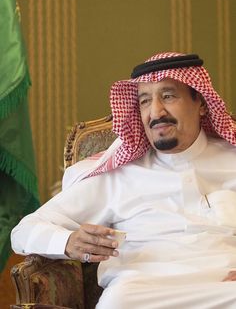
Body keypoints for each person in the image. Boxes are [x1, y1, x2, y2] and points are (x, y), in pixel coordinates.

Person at [11, 52, 236, 308]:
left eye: (168, 96)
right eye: (144, 101)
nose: (156, 112)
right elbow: (23, 231)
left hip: (224, 289)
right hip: (142, 293)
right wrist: (68, 242)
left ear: (202, 102)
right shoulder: (116, 175)